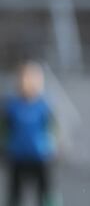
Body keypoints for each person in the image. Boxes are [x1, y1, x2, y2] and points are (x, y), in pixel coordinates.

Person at [2, 61, 55, 206]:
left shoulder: (44, 105)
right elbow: (5, 129)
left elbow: (53, 128)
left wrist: (53, 147)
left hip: (39, 155)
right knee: (14, 194)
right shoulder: (12, 105)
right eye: (25, 77)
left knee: (46, 193)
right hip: (18, 155)